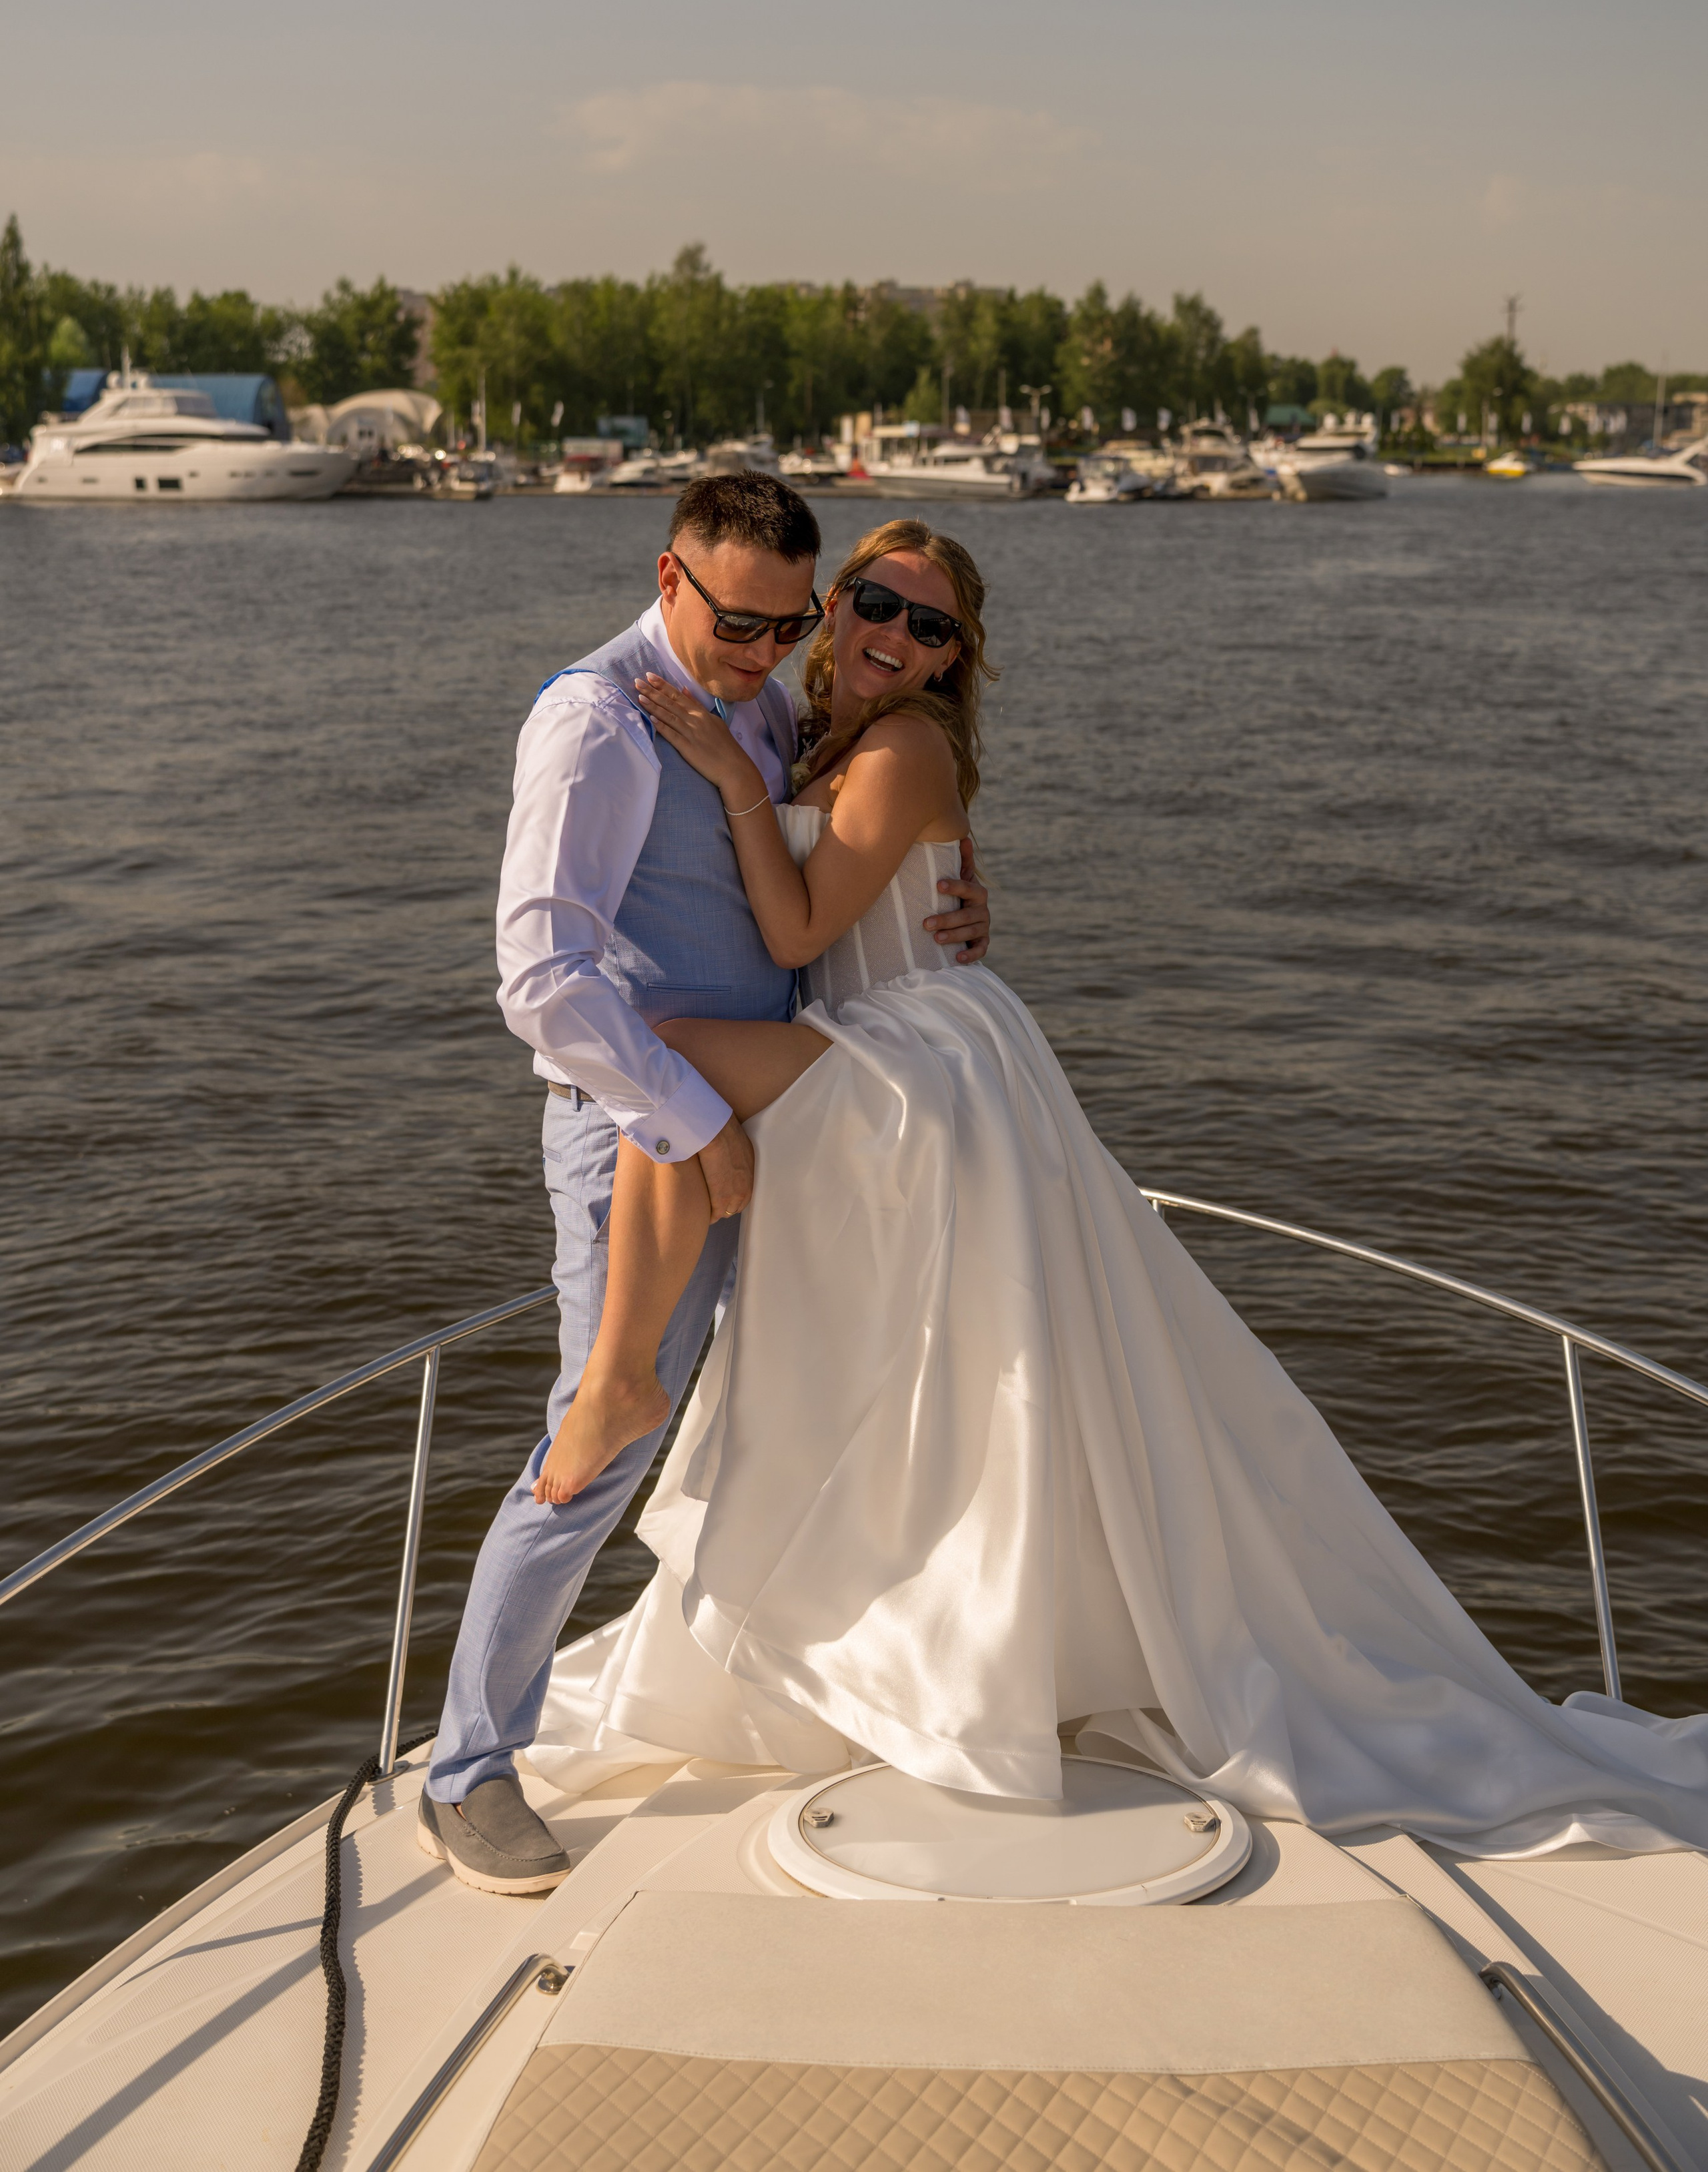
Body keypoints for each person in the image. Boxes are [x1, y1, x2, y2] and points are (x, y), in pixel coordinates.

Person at [528, 513, 1708, 1863]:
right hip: (893, 1035)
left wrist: (737, 794)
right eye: (875, 605)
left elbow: (797, 927)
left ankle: (622, 1376)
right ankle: (871, 1609)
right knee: (920, 1369)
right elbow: (850, 904)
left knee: (657, 1055)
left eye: (931, 628)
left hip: (913, 1057)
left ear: (956, 659)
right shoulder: (809, 736)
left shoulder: (897, 746)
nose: (895, 638)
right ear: (828, 608)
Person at [418, 476, 991, 1894]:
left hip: (783, 1106)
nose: (763, 649)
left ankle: (834, 1683)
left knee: (795, 1410)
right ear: (666, 578)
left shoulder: (770, 710)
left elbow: (849, 851)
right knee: (598, 1439)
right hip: (650, 1126)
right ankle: (468, 1768)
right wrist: (686, 1120)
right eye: (742, 621)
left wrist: (961, 888)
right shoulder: (594, 724)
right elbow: (541, 981)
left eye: (786, 621)